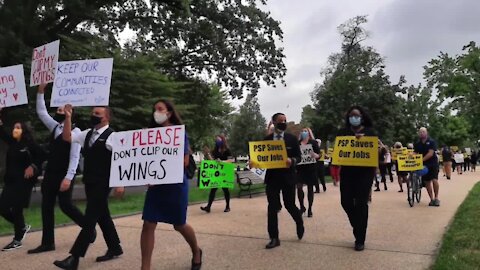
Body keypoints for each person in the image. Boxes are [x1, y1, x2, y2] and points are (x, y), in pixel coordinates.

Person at [53, 105, 124, 270]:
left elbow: (120, 161)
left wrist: (120, 183)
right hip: (90, 182)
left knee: (90, 218)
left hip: (103, 183)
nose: (93, 115)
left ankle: (74, 258)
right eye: (93, 113)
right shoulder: (87, 134)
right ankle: (115, 247)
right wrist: (68, 117)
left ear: (106, 117)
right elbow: (67, 137)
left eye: (97, 114)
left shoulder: (113, 136)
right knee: (103, 216)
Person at [140, 99, 202, 270]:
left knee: (179, 224)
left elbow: (184, 161)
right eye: (154, 109)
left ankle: (196, 251)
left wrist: (162, 170)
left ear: (169, 112)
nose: (156, 112)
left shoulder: (179, 133)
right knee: (148, 224)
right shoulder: (150, 134)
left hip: (175, 185)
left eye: (159, 109)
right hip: (156, 187)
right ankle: (145, 267)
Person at [28, 84, 86, 254]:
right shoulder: (54, 127)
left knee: (66, 205)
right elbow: (41, 112)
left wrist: (68, 178)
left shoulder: (76, 131)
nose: (59, 111)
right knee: (46, 206)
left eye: (62, 110)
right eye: (58, 109)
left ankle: (88, 229)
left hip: (64, 174)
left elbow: (75, 157)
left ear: (69, 112)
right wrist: (40, 91)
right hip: (51, 174)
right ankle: (47, 242)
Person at [252, 112, 304, 249]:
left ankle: (299, 221)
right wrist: (253, 163)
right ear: (274, 123)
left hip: (288, 177)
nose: (283, 122)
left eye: (285, 120)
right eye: (280, 120)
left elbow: (299, 157)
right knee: (272, 207)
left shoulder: (292, 139)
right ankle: (274, 237)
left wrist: (291, 160)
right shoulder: (267, 140)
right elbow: (260, 159)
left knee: (289, 205)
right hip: (272, 179)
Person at [0, 109, 45, 251]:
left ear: (24, 130)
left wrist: (33, 166)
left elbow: (43, 155)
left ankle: (17, 239)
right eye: (14, 127)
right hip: (11, 181)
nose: (15, 130)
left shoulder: (29, 145)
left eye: (18, 128)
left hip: (23, 182)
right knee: (2, 208)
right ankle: (22, 227)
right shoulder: (12, 142)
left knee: (17, 209)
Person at [337, 106, 376, 251]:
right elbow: (339, 152)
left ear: (362, 117)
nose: (354, 118)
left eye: (357, 115)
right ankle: (357, 227)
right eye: (351, 115)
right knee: (345, 202)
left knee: (361, 204)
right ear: (348, 118)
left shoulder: (370, 133)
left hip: (364, 174)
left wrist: (363, 140)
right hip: (347, 173)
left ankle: (360, 238)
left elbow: (375, 152)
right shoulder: (342, 133)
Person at [200, 135, 234, 213]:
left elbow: (231, 160)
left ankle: (227, 206)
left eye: (218, 140)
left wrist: (222, 162)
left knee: (225, 190)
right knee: (213, 189)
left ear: (222, 140)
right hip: (217, 173)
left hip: (224, 173)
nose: (217, 141)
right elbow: (212, 161)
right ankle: (208, 207)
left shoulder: (227, 150)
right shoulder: (215, 150)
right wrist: (208, 153)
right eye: (216, 140)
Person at [296, 128, 320, 217]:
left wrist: (316, 155)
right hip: (300, 169)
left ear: (309, 133)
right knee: (299, 187)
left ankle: (310, 208)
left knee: (310, 189)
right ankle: (302, 206)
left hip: (311, 169)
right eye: (302, 131)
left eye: (306, 131)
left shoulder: (313, 143)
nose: (304, 132)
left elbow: (319, 155)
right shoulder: (297, 143)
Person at [414, 127, 440, 207]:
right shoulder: (417, 143)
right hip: (423, 165)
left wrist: (421, 160)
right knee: (427, 182)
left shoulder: (431, 142)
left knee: (434, 180)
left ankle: (436, 198)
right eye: (420, 132)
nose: (422, 133)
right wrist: (411, 156)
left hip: (432, 163)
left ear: (426, 133)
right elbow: (415, 152)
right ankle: (431, 199)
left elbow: (430, 153)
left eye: (423, 132)